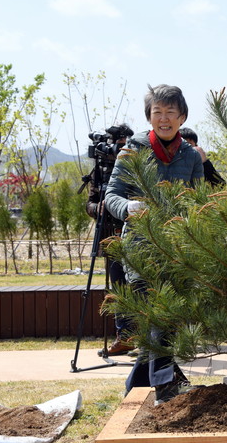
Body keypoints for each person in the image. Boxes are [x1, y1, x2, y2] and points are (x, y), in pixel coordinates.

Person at [104, 84, 204, 403]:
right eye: (157, 112)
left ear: (182, 117)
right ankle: (165, 386)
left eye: (170, 112)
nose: (164, 119)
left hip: (177, 250)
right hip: (141, 249)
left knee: (162, 320)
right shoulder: (132, 152)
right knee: (160, 315)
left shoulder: (191, 157)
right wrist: (127, 208)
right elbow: (111, 196)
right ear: (149, 117)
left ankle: (137, 385)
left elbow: (198, 201)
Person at [85, 125, 134, 357]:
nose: (118, 150)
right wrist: (100, 207)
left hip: (136, 235)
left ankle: (145, 338)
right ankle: (123, 337)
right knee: (118, 288)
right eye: (116, 145)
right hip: (109, 236)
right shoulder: (101, 169)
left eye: (123, 145)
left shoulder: (134, 166)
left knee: (140, 286)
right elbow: (90, 203)